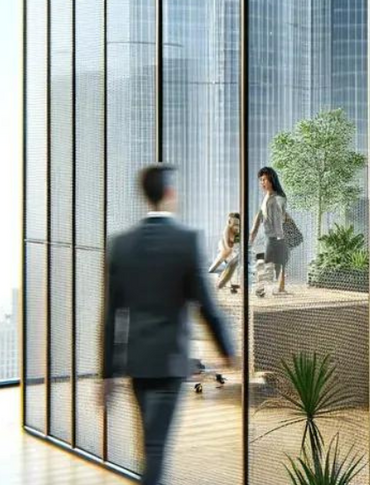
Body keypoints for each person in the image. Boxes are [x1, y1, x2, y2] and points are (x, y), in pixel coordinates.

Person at [101, 165, 235, 485]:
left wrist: (106, 373)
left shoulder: (121, 244)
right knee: (156, 449)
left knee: (150, 445)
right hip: (169, 362)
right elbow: (204, 305)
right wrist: (228, 351)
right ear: (170, 195)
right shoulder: (185, 241)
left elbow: (110, 316)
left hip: (136, 363)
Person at [245, 167, 292, 296]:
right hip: (272, 236)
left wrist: (279, 237)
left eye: (264, 179)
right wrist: (253, 233)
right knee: (275, 263)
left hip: (276, 236)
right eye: (261, 180)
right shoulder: (268, 197)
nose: (262, 182)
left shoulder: (276, 198)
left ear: (272, 179)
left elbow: (277, 219)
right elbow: (261, 216)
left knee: (274, 263)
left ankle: (266, 288)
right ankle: (271, 288)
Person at [209, 212, 244, 292]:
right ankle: (212, 271)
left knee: (233, 261)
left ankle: (228, 281)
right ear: (229, 222)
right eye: (234, 223)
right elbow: (228, 245)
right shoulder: (227, 230)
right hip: (224, 245)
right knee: (223, 256)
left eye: (238, 224)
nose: (236, 226)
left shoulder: (238, 231)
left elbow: (238, 244)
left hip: (233, 247)